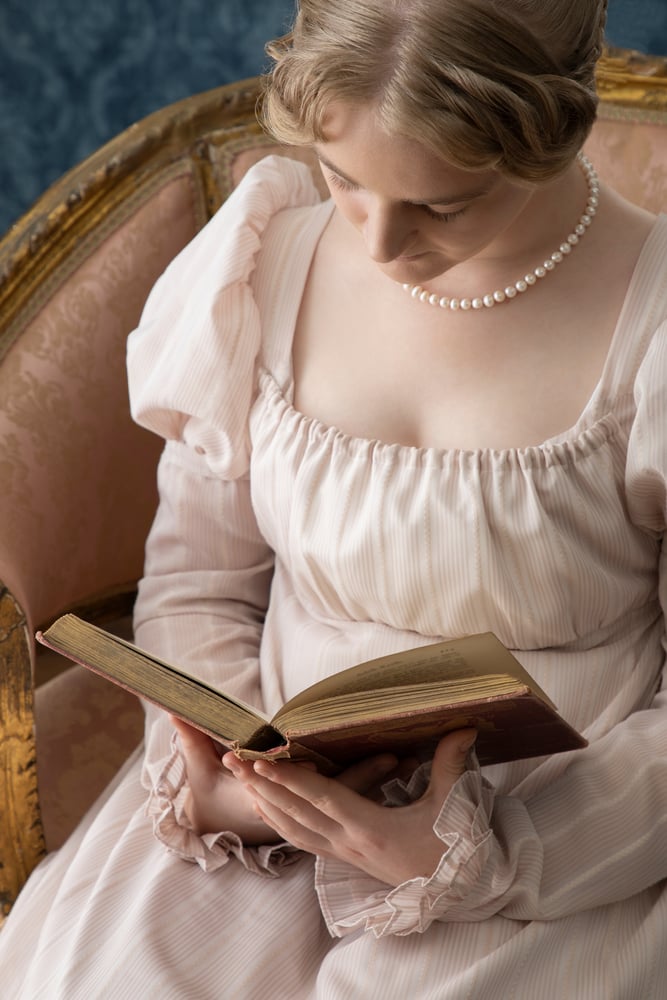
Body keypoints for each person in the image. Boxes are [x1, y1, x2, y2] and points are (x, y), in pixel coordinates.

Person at [2, 0, 666, 995]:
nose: (382, 241)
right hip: (264, 819)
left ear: (555, 128)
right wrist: (223, 784)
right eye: (344, 178)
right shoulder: (263, 262)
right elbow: (198, 588)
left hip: (567, 837)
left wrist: (482, 852)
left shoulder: (650, 320)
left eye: (443, 204)